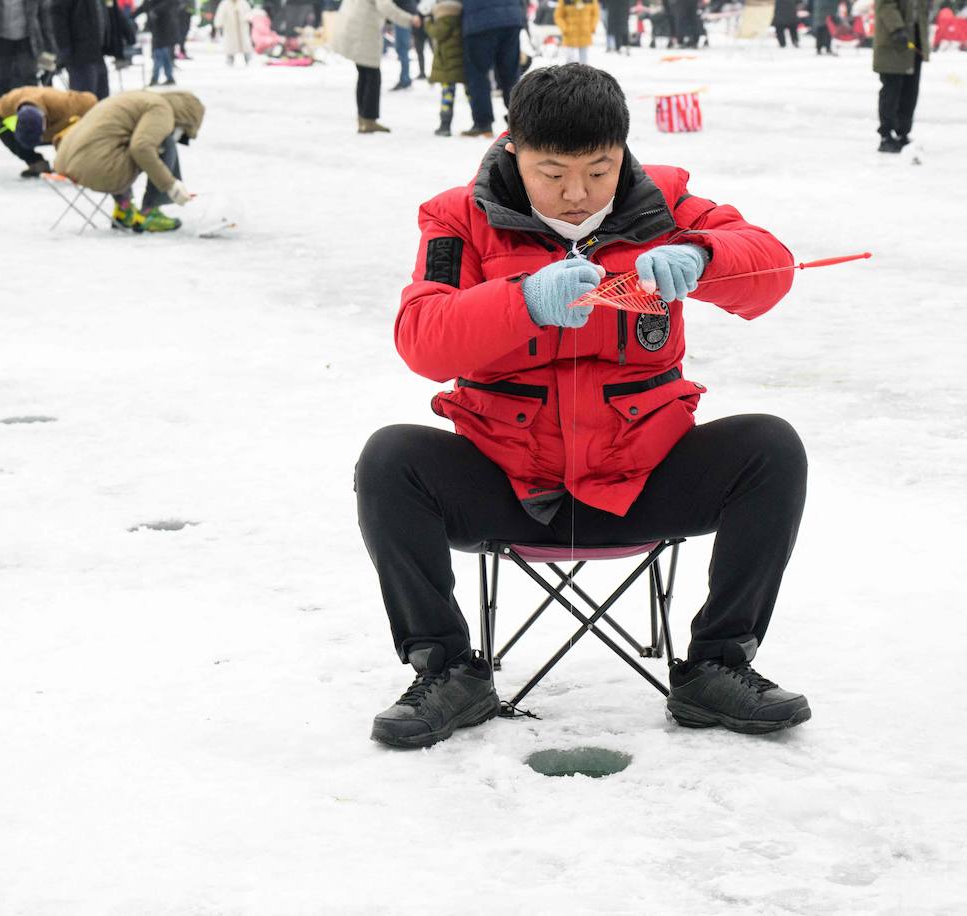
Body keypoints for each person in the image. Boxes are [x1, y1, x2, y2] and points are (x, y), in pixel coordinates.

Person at [356, 64, 811, 750]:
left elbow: (770, 270)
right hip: (510, 482)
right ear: (513, 149)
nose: (576, 193)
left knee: (771, 446)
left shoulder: (667, 199)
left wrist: (704, 254)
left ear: (622, 151)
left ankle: (717, 665)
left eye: (599, 171)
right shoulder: (458, 217)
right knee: (390, 458)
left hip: (642, 479)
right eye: (552, 172)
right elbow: (423, 341)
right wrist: (522, 303)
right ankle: (446, 670)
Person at [52, 88, 203, 232]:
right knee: (164, 143)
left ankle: (124, 208)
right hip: (97, 168)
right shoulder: (162, 109)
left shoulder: (136, 98)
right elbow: (142, 148)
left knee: (118, 144)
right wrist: (170, 184)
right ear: (186, 119)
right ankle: (149, 213)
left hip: (66, 162)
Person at [337, 0, 421, 132]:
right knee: (372, 76)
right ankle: (368, 120)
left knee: (364, 75)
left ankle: (362, 119)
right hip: (365, 32)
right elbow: (386, 6)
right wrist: (410, 19)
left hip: (355, 28)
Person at [0, 84, 96, 175]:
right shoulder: (9, 103)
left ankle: (73, 164)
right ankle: (36, 162)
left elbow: (91, 100)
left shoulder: (64, 103)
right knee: (0, 127)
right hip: (47, 131)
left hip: (65, 129)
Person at [459, 0, 524, 137]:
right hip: (511, 18)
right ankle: (520, 123)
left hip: (479, 21)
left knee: (477, 74)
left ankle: (483, 124)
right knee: (510, 73)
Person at [0, 0, 56, 96]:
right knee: (3, 81)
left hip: (27, 38)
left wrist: (50, 43)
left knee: (29, 80)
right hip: (0, 39)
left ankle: (30, 108)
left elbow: (45, 12)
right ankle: (6, 109)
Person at [872, 0, 928, 152]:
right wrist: (897, 28)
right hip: (893, 42)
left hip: (914, 41)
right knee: (891, 90)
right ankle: (886, 135)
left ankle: (903, 132)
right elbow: (885, 5)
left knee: (910, 90)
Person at [50, 0, 110, 97]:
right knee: (83, 101)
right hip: (79, 55)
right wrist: (65, 50)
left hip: (97, 51)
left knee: (102, 99)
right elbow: (58, 19)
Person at [425, 0, 464, 134]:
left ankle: (445, 124)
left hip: (447, 62)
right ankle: (479, 120)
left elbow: (437, 33)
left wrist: (428, 23)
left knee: (447, 94)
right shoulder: (459, 13)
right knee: (469, 92)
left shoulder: (446, 14)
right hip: (459, 60)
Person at [133, 0, 180, 84]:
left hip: (165, 29)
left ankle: (155, 78)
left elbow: (171, 4)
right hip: (158, 30)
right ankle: (169, 77)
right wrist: (130, 16)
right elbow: (144, 7)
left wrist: (155, 11)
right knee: (164, 54)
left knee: (159, 54)